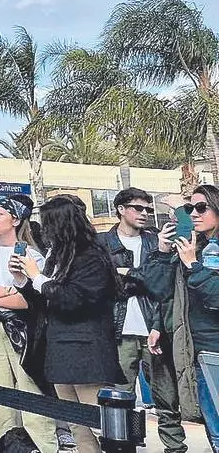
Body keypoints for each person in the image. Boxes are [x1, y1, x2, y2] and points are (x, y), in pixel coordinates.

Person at [12, 196, 123, 453]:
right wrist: (23, 280)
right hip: (60, 349)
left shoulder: (91, 256)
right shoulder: (58, 254)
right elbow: (46, 300)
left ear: (61, 223)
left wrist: (37, 276)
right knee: (76, 426)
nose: (44, 229)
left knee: (101, 426)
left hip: (87, 353)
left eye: (48, 223)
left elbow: (74, 299)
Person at [0, 197, 58, 453]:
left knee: (32, 393)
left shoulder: (32, 255)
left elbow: (27, 300)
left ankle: (42, 447)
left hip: (25, 331)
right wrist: (7, 289)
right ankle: (1, 447)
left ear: (15, 220)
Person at [98, 188, 186, 453]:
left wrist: (130, 274)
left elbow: (163, 285)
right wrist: (142, 276)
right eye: (138, 208)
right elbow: (103, 282)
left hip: (154, 328)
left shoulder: (156, 241)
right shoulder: (102, 242)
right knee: (119, 399)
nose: (145, 214)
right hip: (117, 330)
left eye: (148, 209)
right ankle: (121, 448)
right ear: (121, 209)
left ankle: (175, 448)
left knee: (166, 398)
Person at [142, 185, 219, 451]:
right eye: (189, 209)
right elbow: (161, 291)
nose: (193, 214)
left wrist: (193, 266)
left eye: (201, 208)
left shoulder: (202, 253)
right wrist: (163, 252)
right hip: (192, 348)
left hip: (213, 348)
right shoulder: (190, 246)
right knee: (212, 426)